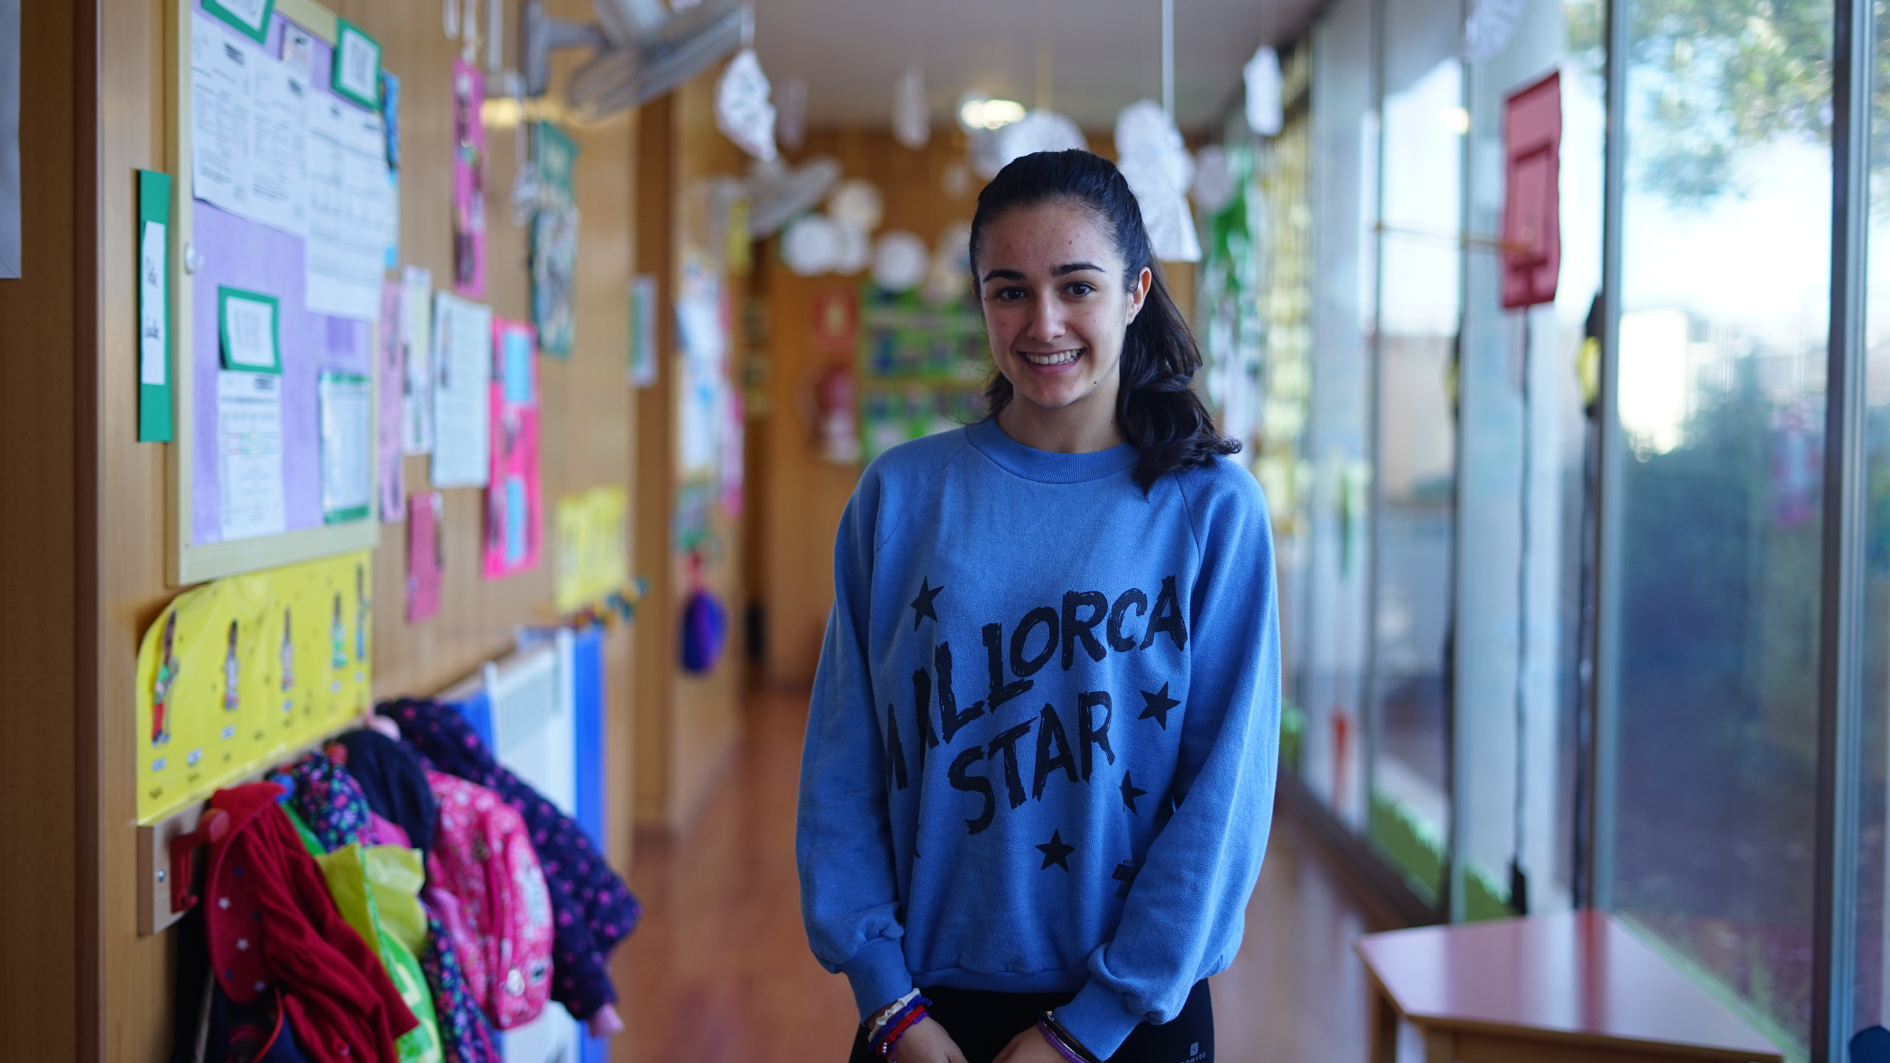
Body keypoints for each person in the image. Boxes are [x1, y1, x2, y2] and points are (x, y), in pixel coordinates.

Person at [796, 150, 1282, 1063]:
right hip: (920, 1012)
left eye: (1077, 286)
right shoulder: (900, 495)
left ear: (1135, 292)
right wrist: (887, 999)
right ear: (979, 300)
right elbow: (841, 760)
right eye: (1009, 291)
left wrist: (1089, 1026)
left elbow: (1225, 797)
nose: (1044, 322)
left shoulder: (1212, 509)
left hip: (1133, 1015)